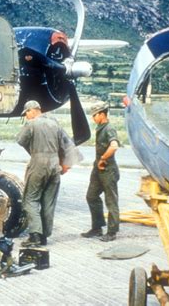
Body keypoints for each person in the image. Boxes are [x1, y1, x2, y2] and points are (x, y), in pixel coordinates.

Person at [17, 100, 80, 247]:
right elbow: (66, 145)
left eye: (26, 113)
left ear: (32, 110)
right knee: (48, 202)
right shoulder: (55, 123)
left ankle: (35, 236)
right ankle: (44, 236)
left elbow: (21, 140)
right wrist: (64, 164)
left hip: (39, 163)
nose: (26, 116)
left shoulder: (31, 124)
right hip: (55, 164)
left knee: (30, 200)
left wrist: (33, 151)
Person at [81, 102, 120, 242]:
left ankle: (112, 232)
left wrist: (103, 158)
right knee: (91, 196)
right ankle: (97, 228)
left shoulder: (109, 128)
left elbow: (114, 146)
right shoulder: (100, 127)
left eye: (95, 115)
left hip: (108, 169)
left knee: (111, 201)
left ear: (102, 114)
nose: (93, 118)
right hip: (98, 169)